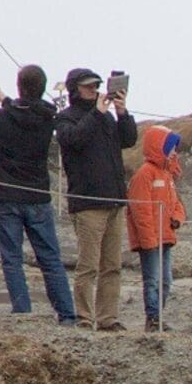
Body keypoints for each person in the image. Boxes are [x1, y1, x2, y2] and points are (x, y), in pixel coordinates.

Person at [0, 64, 75, 322]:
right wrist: (2, 97)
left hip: (7, 196)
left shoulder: (2, 118)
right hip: (37, 196)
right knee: (50, 259)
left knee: (12, 259)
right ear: (43, 88)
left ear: (19, 87)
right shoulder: (48, 117)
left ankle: (23, 312)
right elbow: (26, 112)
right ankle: (67, 315)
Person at [55, 68, 138, 330]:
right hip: (87, 202)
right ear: (75, 89)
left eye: (96, 86)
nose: (94, 90)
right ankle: (83, 317)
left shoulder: (105, 117)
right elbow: (74, 140)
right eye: (88, 86)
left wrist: (122, 112)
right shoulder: (66, 118)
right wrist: (98, 113)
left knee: (112, 265)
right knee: (88, 265)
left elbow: (128, 140)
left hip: (114, 200)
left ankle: (107, 318)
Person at [127, 124, 185, 332]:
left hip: (166, 236)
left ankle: (157, 316)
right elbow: (140, 210)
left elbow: (177, 204)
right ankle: (152, 318)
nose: (174, 151)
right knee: (152, 280)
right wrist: (148, 240)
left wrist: (177, 218)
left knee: (166, 281)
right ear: (159, 146)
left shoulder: (167, 174)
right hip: (151, 240)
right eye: (170, 146)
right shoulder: (145, 174)